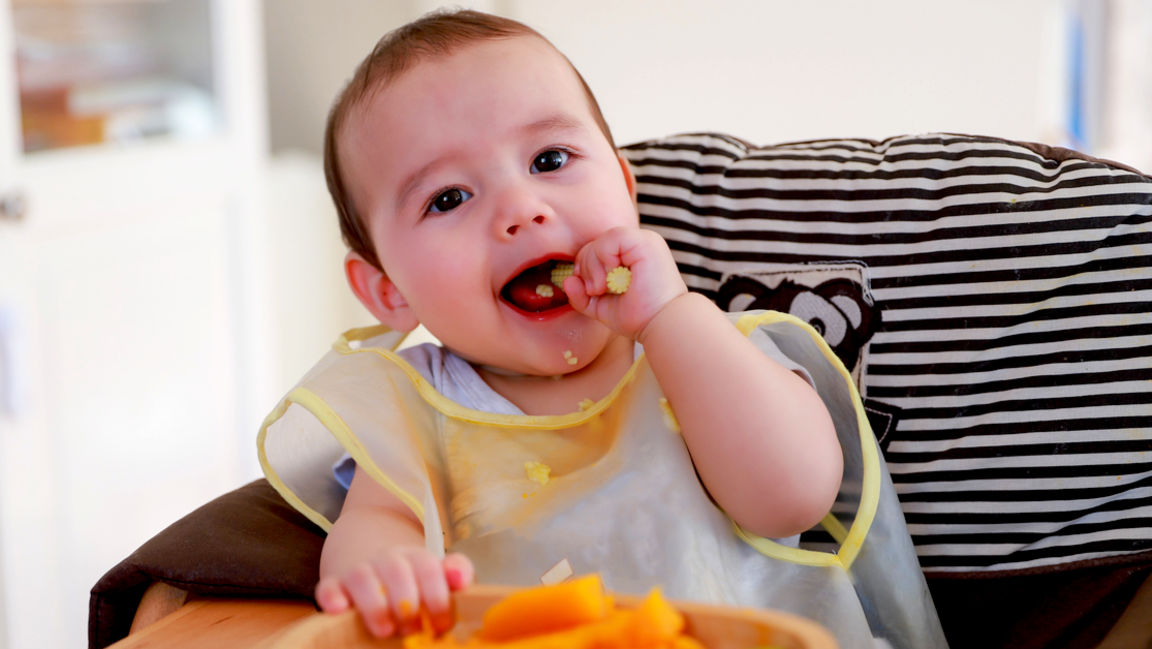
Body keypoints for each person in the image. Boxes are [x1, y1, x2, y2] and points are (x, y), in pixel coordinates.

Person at [259, 9, 945, 649]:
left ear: (624, 187)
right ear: (387, 290)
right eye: (448, 198)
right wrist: (388, 573)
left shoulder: (704, 349)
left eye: (550, 160)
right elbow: (377, 526)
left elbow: (793, 493)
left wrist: (670, 317)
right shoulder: (413, 413)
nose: (521, 209)